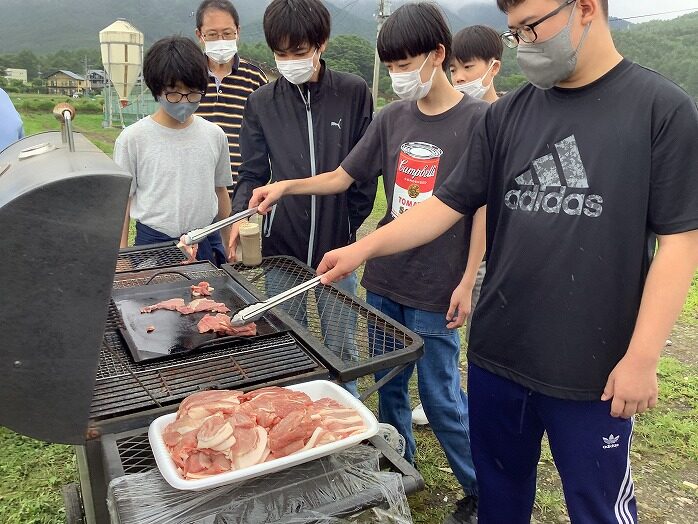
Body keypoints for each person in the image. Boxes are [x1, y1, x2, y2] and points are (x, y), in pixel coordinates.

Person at [307, 0, 698, 522]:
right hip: (499, 357)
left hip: (594, 367)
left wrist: (643, 358)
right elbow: (446, 204)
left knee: (596, 505)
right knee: (500, 495)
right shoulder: (509, 114)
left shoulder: (661, 109)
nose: (524, 44)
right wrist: (361, 248)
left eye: (531, 28)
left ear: (584, 8)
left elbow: (679, 243)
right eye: (515, 33)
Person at [248, 4, 486, 522]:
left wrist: (468, 279)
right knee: (390, 386)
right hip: (384, 279)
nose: (400, 75)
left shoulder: (478, 121)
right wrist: (286, 185)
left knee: (441, 395)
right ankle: (402, 460)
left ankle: (480, 488)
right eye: (392, 65)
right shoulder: (391, 119)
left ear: (438, 55)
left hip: (436, 283)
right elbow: (341, 176)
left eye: (406, 63)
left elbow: (482, 209)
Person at [230, 0, 377, 397]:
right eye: (281, 53)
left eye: (299, 52)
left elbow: (364, 171)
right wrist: (238, 218)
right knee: (286, 346)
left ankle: (347, 435)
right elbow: (253, 174)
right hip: (282, 249)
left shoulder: (353, 92)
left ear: (322, 43)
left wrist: (347, 223)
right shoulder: (262, 102)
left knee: (342, 348)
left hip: (338, 249)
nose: (290, 61)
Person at [412, 23, 504, 427]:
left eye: (468, 67)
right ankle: (455, 399)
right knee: (460, 335)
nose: (460, 77)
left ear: (494, 67)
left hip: (500, 251)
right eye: (455, 70)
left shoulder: (502, 118)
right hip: (465, 248)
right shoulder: (465, 120)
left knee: (487, 338)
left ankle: (475, 409)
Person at [115, 36, 233, 266]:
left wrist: (228, 243)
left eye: (192, 92)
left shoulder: (214, 135)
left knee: (208, 301)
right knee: (154, 302)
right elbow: (122, 203)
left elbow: (220, 191)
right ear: (156, 89)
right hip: (153, 245)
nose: (184, 101)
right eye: (174, 92)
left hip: (206, 241)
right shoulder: (132, 139)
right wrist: (122, 257)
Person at [195, 0, 267, 197]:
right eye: (212, 34)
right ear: (199, 35)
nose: (221, 40)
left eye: (227, 34)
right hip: (195, 191)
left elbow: (267, 134)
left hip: (242, 191)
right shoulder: (187, 77)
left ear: (238, 32)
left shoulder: (255, 78)